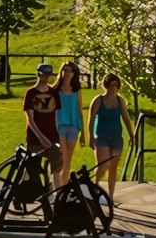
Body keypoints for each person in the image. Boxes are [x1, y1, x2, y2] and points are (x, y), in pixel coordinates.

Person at [89, 73, 135, 202]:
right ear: (106, 86)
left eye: (115, 84)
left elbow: (126, 118)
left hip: (116, 137)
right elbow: (91, 119)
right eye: (110, 84)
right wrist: (91, 137)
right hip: (102, 137)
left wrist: (132, 135)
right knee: (104, 165)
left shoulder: (121, 101)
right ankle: (96, 187)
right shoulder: (99, 100)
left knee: (113, 167)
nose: (113, 87)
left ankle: (111, 196)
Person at [53, 61, 85, 187]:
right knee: (63, 157)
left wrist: (83, 134)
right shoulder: (56, 90)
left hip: (74, 126)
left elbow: (80, 111)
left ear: (74, 74)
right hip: (59, 126)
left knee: (68, 160)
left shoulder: (77, 90)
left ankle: (64, 185)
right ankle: (58, 186)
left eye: (68, 71)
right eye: (64, 70)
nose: (66, 73)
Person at [23, 64, 61, 169]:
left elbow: (57, 116)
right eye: (43, 75)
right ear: (38, 74)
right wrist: (40, 136)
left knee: (57, 168)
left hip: (52, 136)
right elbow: (30, 118)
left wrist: (59, 135)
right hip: (35, 138)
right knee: (33, 169)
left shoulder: (54, 93)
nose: (45, 78)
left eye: (47, 75)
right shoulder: (31, 93)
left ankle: (53, 185)